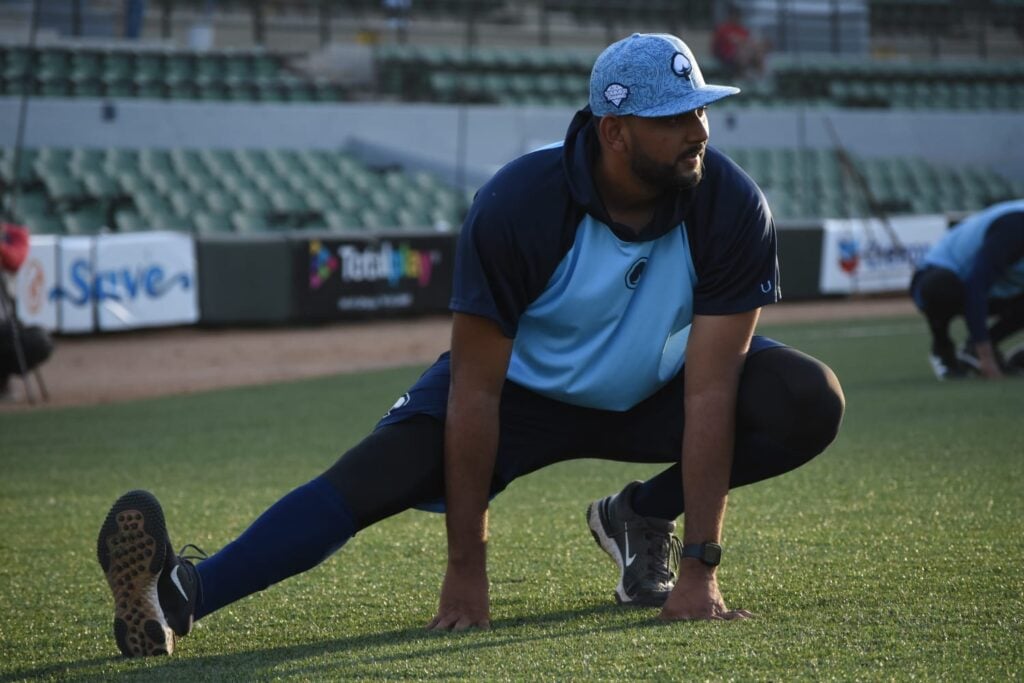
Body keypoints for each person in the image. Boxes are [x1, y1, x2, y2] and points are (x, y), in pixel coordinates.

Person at [96, 32, 845, 658]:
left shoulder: (731, 203)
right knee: (362, 482)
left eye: (700, 110)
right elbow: (476, 390)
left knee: (805, 400)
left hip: (657, 389)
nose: (698, 132)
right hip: (518, 396)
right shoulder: (518, 205)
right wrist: (466, 568)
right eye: (673, 117)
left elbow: (712, 390)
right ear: (614, 131)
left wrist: (699, 568)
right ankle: (180, 594)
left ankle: (639, 514)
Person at [910, 199, 1024, 380]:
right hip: (936, 279)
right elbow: (976, 285)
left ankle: (975, 349)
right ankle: (943, 348)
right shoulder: (1014, 227)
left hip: (998, 289)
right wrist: (986, 359)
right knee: (941, 288)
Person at [0, 223, 53, 400]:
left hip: (5, 321)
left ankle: (2, 382)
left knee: (38, 341)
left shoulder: (11, 236)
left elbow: (14, 260)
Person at [711, 4, 766, 79]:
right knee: (742, 52)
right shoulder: (723, 29)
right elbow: (717, 46)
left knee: (758, 52)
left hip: (744, 56)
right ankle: (743, 75)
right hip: (726, 57)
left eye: (737, 16)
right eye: (734, 16)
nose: (736, 18)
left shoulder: (742, 29)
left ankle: (760, 77)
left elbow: (749, 42)